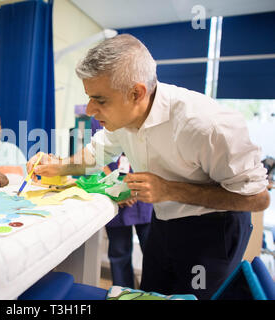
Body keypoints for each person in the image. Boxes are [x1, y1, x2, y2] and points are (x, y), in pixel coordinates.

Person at [27, 34, 270, 299]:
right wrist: (58, 167)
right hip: (164, 223)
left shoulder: (207, 125)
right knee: (150, 295)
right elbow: (93, 156)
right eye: (89, 97)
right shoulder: (122, 118)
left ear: (136, 93)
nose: (89, 109)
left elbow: (257, 199)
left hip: (213, 231)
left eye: (100, 100)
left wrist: (171, 190)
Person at [91, 118, 152, 288]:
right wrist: (117, 188)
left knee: (153, 253)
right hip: (115, 192)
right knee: (119, 253)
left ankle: (151, 294)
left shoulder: (144, 114)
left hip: (144, 190)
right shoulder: (98, 118)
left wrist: (134, 188)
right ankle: (124, 294)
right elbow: (96, 157)